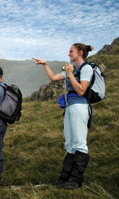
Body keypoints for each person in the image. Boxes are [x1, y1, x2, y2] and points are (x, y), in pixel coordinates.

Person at [32, 43, 94, 189]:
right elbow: (53, 78)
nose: (68, 54)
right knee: (70, 143)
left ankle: (76, 179)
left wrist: (70, 74)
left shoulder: (86, 68)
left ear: (79, 52)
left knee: (79, 143)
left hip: (80, 106)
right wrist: (45, 64)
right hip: (70, 107)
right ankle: (65, 177)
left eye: (71, 52)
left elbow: (81, 90)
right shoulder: (73, 70)